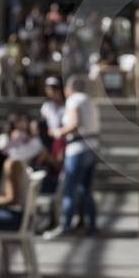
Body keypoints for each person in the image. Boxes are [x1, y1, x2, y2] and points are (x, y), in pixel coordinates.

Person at [45, 75, 99, 237]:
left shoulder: (74, 100)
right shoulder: (89, 101)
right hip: (92, 147)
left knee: (70, 189)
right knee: (86, 189)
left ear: (70, 88)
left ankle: (66, 225)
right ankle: (92, 225)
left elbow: (74, 124)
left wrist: (57, 132)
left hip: (77, 148)